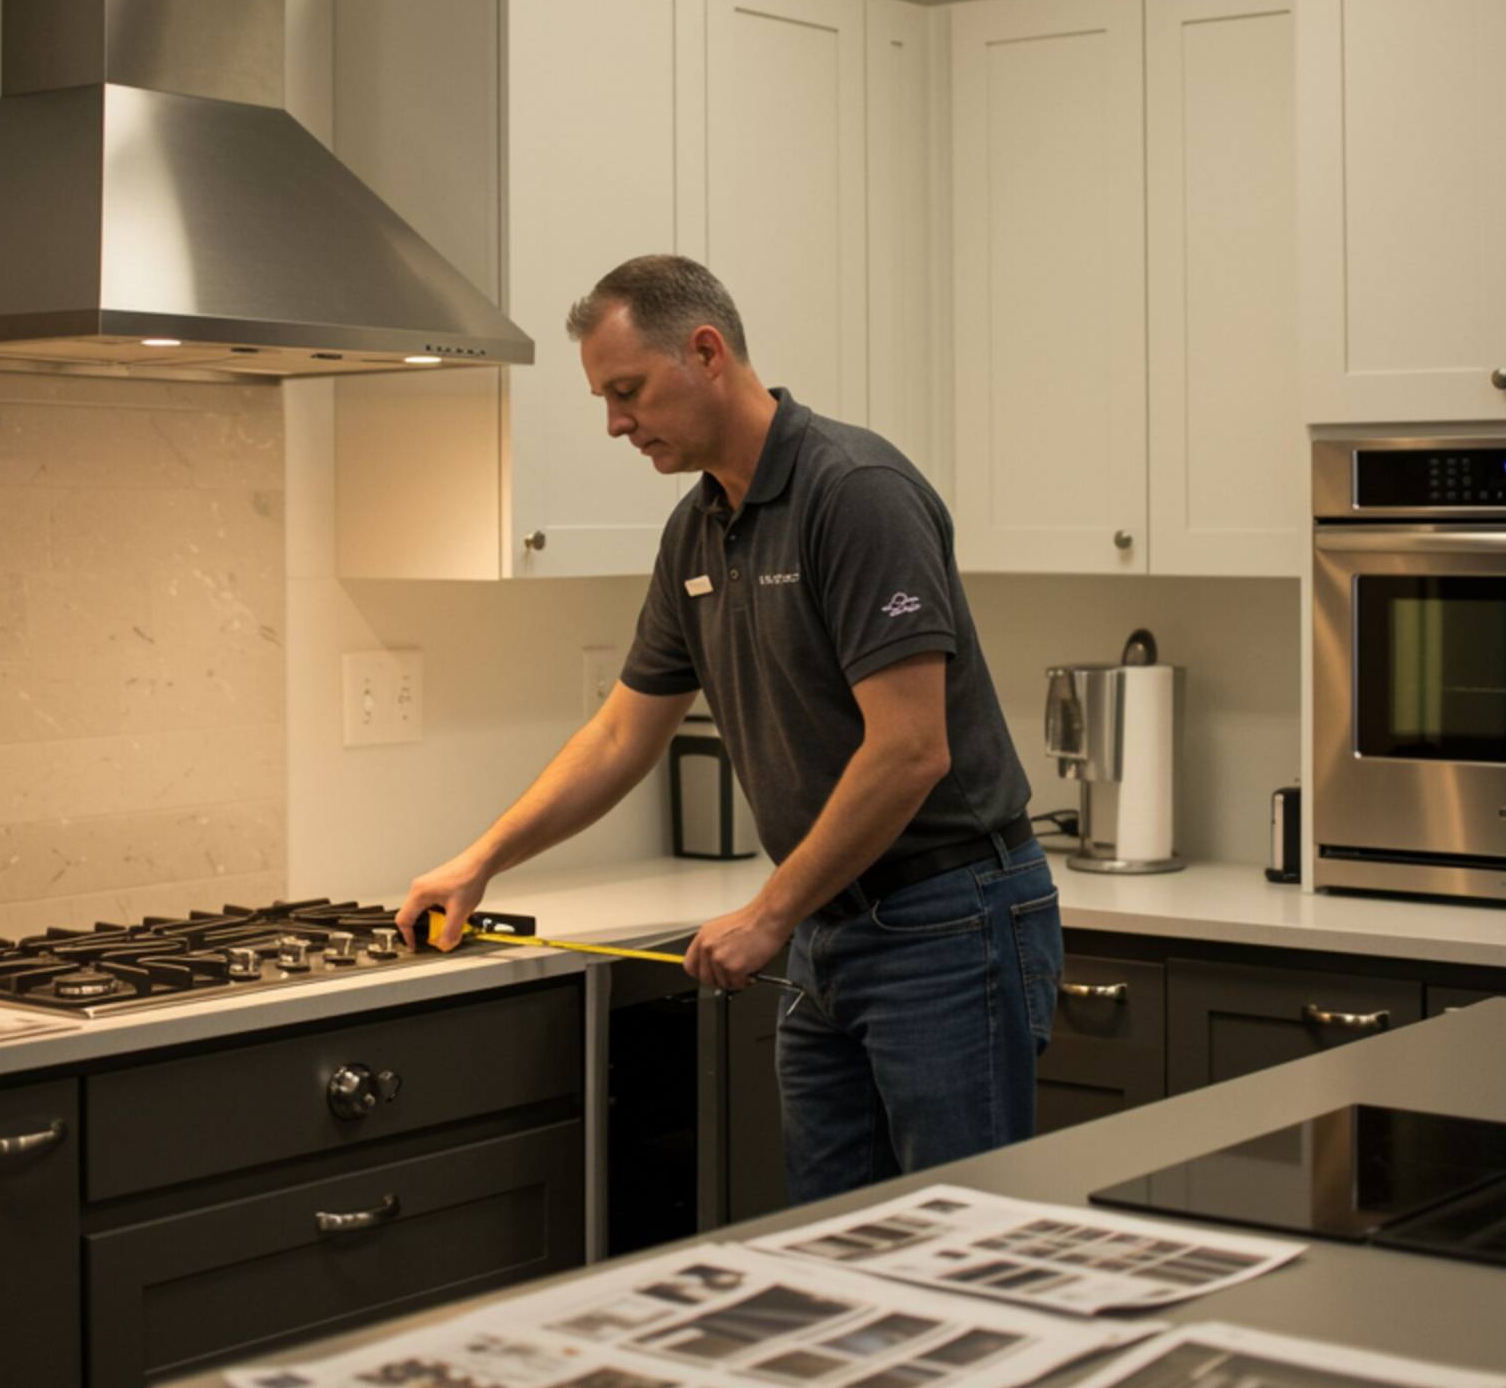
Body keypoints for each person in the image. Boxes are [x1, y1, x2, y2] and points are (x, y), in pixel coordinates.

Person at [397, 254, 1061, 1202]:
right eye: (606, 399)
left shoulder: (856, 492)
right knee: (834, 1249)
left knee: (965, 1247)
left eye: (628, 391)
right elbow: (623, 733)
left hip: (948, 921)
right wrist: (482, 860)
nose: (616, 423)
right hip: (829, 924)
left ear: (706, 352)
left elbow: (911, 749)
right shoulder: (699, 530)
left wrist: (766, 914)